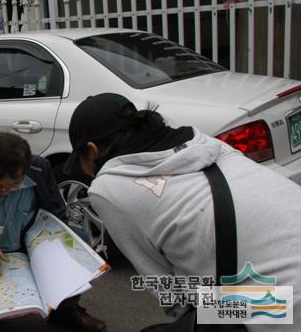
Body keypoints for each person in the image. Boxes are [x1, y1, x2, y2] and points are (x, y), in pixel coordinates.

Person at [64, 93, 301, 331]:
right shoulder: (205, 143)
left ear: (93, 151)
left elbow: (169, 292)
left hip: (276, 305)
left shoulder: (108, 188)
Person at [0, 132, 107, 332]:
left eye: (14, 184)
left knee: (78, 240)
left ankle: (65, 311)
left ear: (25, 169)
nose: (4, 190)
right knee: (8, 323)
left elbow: (57, 214)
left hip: (29, 248)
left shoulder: (40, 169)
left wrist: (52, 249)